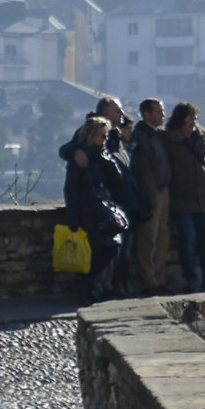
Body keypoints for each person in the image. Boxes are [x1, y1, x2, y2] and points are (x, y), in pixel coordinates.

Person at [62, 114, 131, 302]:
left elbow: (117, 180)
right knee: (104, 248)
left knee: (108, 248)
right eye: (102, 136)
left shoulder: (101, 156)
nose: (105, 140)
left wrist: (108, 159)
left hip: (99, 209)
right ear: (92, 136)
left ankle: (89, 286)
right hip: (87, 211)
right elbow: (71, 188)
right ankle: (86, 287)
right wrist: (74, 215)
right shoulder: (80, 159)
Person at [167, 101, 205, 290]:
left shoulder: (202, 135)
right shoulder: (170, 139)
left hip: (203, 197)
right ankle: (191, 278)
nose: (194, 121)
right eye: (191, 117)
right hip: (181, 199)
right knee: (186, 240)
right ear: (183, 119)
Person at [130, 98, 173, 292]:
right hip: (152, 192)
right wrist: (151, 197)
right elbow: (143, 170)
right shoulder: (141, 137)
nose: (162, 115)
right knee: (149, 239)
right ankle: (149, 281)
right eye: (158, 112)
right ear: (147, 114)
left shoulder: (157, 136)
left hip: (163, 190)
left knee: (162, 237)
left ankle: (159, 277)